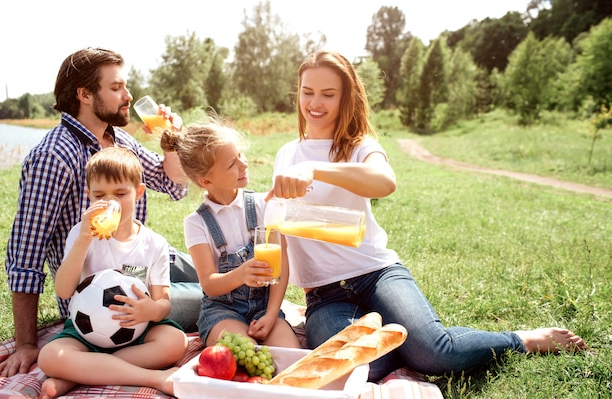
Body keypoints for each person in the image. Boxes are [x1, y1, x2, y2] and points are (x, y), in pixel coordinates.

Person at [267, 49, 588, 381]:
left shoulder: (361, 146)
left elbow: (384, 182)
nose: (314, 103)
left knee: (435, 353)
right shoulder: (287, 153)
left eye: (328, 94)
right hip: (324, 293)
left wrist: (315, 169)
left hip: (377, 274)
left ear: (346, 97)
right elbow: (281, 231)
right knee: (353, 370)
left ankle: (523, 340)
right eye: (307, 92)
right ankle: (402, 344)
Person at [0, 48, 201, 378]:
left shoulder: (118, 140)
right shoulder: (54, 157)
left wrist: (171, 142)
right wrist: (25, 344)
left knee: (218, 268)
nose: (128, 96)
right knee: (214, 297)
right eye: (117, 87)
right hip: (98, 294)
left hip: (137, 262)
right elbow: (25, 256)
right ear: (85, 94)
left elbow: (172, 185)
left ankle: (90, 371)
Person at [37, 147, 188, 398]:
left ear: (139, 192)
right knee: (50, 356)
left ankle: (81, 374)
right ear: (88, 196)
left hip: (137, 331)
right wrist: (84, 239)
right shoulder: (80, 234)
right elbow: (64, 290)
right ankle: (155, 378)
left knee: (176, 341)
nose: (110, 202)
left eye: (120, 193)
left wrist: (152, 309)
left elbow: (163, 303)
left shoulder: (154, 244)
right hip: (86, 331)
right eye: (99, 196)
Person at [160, 119, 300, 348]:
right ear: (206, 180)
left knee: (290, 354)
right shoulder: (196, 223)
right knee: (248, 355)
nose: (244, 165)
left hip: (265, 308)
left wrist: (271, 315)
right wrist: (241, 274)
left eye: (241, 155)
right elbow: (209, 284)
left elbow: (280, 265)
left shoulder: (263, 205)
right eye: (231, 164)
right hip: (221, 311)